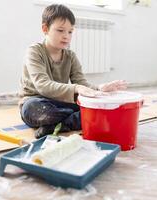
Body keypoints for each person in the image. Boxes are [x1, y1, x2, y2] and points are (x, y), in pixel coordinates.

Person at [19, 4, 127, 138]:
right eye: (60, 30)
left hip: (61, 103)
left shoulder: (71, 56)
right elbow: (43, 85)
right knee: (33, 108)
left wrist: (100, 88)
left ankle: (56, 127)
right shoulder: (34, 51)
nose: (66, 36)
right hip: (37, 102)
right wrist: (76, 88)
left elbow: (82, 84)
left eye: (70, 32)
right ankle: (74, 120)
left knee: (95, 108)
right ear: (45, 29)